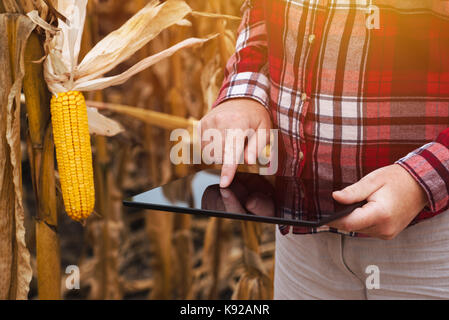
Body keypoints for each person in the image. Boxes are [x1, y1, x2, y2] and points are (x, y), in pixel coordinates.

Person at [199, 0, 449, 299]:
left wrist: (424, 178)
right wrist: (246, 91)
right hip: (303, 240)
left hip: (433, 241)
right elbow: (261, 13)